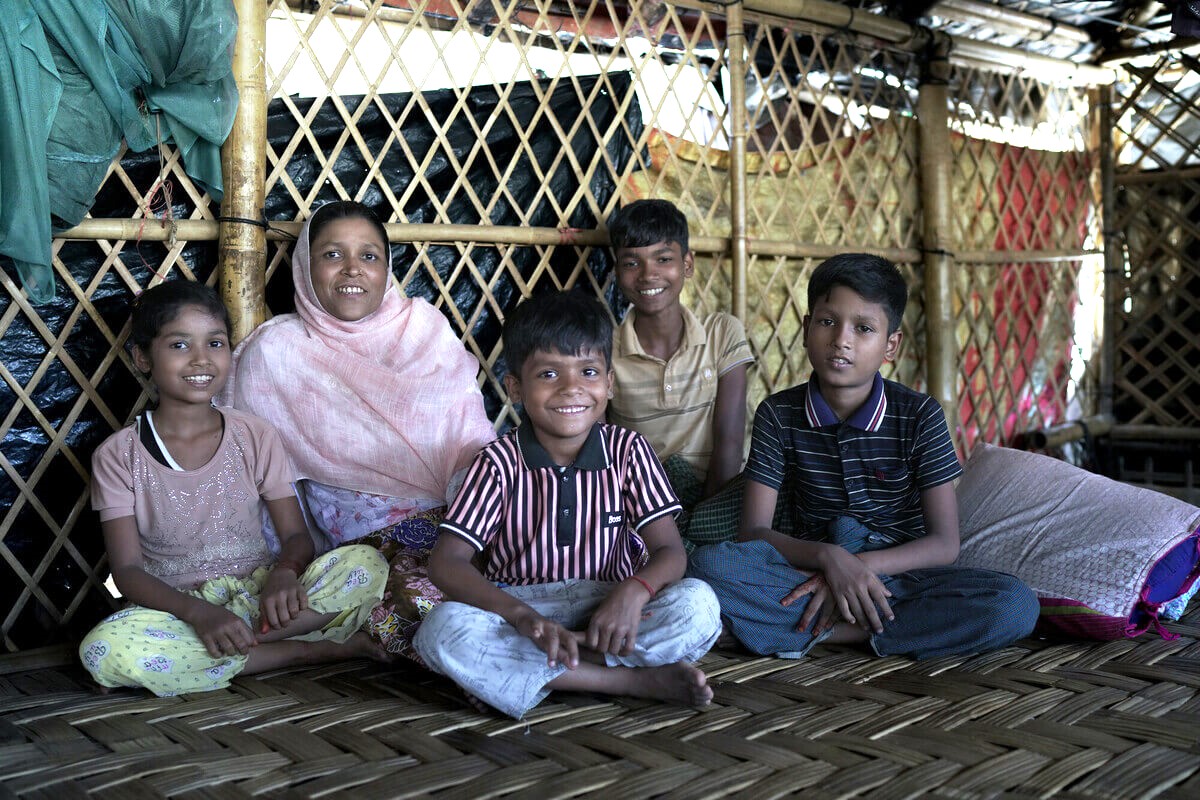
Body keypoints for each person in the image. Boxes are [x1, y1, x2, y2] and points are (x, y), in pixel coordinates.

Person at [688, 254, 1039, 660]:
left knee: (1015, 604)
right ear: (805, 329)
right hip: (810, 570)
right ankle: (848, 624)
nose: (842, 339)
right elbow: (754, 532)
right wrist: (831, 560)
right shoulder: (778, 414)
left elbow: (944, 544)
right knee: (707, 567)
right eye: (827, 322)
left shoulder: (919, 416)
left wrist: (859, 568)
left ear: (891, 345)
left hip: (898, 577)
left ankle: (832, 633)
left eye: (864, 328)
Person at [414, 290, 721, 719]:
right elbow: (447, 563)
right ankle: (631, 680)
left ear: (609, 384)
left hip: (609, 607)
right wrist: (521, 617)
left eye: (589, 371)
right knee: (442, 631)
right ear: (515, 388)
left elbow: (670, 553)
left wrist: (635, 593)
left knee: (699, 605)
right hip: (524, 612)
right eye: (548, 375)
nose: (572, 388)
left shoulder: (628, 451)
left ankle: (530, 675)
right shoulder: (498, 462)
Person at [78, 281, 389, 696]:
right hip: (179, 610)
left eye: (216, 343)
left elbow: (295, 536)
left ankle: (237, 649)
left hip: (261, 598)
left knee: (367, 564)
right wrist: (199, 613)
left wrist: (284, 575)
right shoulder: (118, 455)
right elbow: (128, 571)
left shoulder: (253, 435)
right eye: (179, 346)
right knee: (104, 650)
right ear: (141, 357)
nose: (201, 359)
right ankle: (309, 651)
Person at [222, 201, 495, 664]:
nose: (353, 269)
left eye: (369, 256)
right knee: (427, 607)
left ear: (387, 269)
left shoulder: (425, 331)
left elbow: (476, 450)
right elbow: (254, 480)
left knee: (512, 583)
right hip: (357, 556)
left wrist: (472, 540)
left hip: (459, 531)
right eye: (332, 255)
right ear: (306, 268)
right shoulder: (277, 352)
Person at [606, 200, 754, 546]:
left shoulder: (721, 333)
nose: (648, 275)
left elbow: (730, 440)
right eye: (632, 263)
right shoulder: (606, 351)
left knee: (721, 553)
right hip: (642, 506)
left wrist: (702, 520)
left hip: (718, 495)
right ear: (616, 272)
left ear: (687, 264)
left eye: (663, 259)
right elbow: (604, 447)